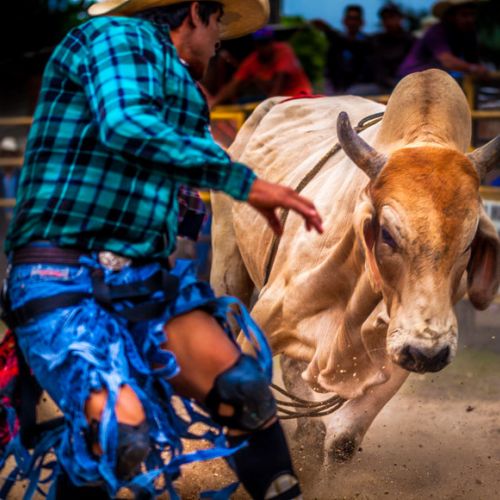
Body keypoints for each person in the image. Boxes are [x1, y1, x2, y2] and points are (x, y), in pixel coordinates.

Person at [1, 0, 324, 498]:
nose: (221, 41)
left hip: (143, 282)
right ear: (196, 12)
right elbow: (125, 124)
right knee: (122, 432)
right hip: (60, 277)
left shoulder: (181, 93)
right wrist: (244, 183)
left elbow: (175, 184)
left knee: (242, 390)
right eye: (219, 23)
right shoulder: (112, 38)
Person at [210, 26, 313, 106]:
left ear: (272, 42)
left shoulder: (284, 51)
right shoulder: (252, 60)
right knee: (242, 103)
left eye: (266, 43)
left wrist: (268, 107)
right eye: (260, 44)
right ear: (256, 45)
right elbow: (233, 85)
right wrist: (213, 103)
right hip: (275, 100)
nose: (264, 48)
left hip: (299, 97)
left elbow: (278, 86)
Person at [398, 0, 489, 78]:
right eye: (464, 15)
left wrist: (480, 70)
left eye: (472, 14)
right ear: (450, 16)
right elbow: (447, 61)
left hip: (436, 77)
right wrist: (473, 68)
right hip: (411, 76)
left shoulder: (469, 34)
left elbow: (474, 62)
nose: (470, 19)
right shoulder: (436, 31)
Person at [368, 4, 415, 93]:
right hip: (379, 86)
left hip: (406, 85)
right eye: (384, 18)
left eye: (391, 17)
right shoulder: (376, 40)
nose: (388, 21)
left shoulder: (411, 40)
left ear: (400, 18)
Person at [325, 5, 372, 93]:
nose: (352, 22)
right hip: (337, 89)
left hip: (360, 89)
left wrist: (328, 30)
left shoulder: (369, 42)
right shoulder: (335, 44)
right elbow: (330, 68)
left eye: (355, 19)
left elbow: (355, 46)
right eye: (350, 18)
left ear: (362, 22)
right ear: (344, 21)